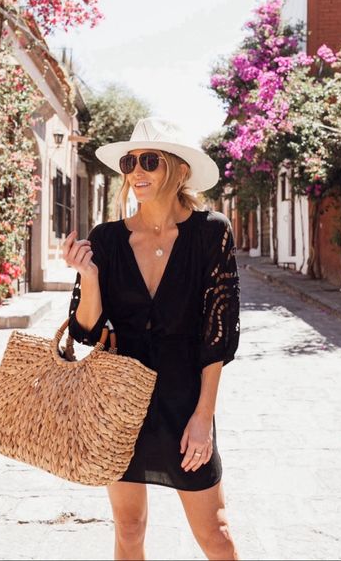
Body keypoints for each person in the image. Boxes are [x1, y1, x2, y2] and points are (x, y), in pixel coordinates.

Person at [62, 117, 241, 561]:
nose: (136, 171)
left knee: (215, 534)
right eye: (129, 162)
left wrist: (204, 417)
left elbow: (217, 335)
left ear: (178, 170)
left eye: (149, 161)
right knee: (128, 528)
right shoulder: (106, 238)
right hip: (120, 403)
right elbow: (87, 329)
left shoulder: (211, 232)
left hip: (184, 401)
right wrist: (88, 276)